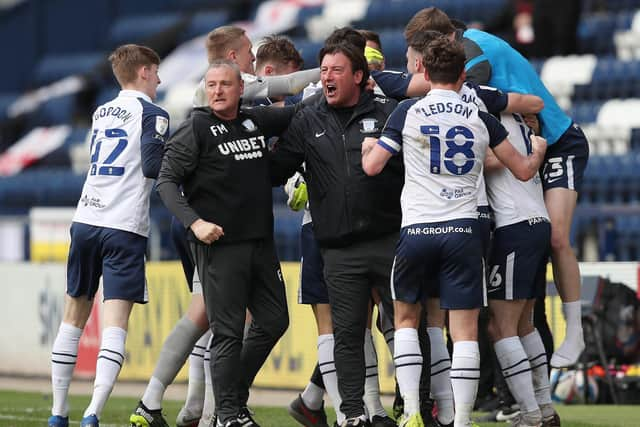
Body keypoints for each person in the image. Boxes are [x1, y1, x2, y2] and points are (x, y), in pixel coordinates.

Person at [361, 38, 547, 427]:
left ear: (424, 74)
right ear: (463, 75)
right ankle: (461, 420)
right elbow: (525, 170)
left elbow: (374, 167)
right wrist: (540, 149)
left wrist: (367, 148)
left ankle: (412, 412)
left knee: (408, 320)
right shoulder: (481, 115)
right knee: (463, 331)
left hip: (417, 229)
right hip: (464, 230)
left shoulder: (408, 111)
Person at [129, 30, 308, 427]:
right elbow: (166, 183)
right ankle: (227, 413)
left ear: (241, 87)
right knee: (226, 332)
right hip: (220, 245)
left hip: (261, 244)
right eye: (211, 85)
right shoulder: (195, 128)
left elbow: (296, 112)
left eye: (225, 84)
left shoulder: (254, 119)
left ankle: (230, 395)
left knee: (275, 319)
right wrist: (196, 224)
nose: (218, 91)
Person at [404, 6, 588, 369]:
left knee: (556, 238)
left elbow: (463, 96)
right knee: (532, 254)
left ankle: (577, 332)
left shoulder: (473, 51)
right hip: (529, 140)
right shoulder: (471, 44)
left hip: (559, 140)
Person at [270, 42, 402, 427]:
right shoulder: (307, 118)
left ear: (359, 76)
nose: (326, 76)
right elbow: (277, 169)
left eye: (336, 70)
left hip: (388, 240)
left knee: (406, 325)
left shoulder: (387, 113)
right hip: (338, 249)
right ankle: (353, 414)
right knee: (347, 335)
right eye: (323, 69)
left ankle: (416, 407)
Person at [48, 44, 169, 427]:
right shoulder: (154, 113)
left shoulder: (101, 112)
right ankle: (93, 413)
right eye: (157, 72)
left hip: (85, 219)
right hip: (124, 225)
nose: (161, 80)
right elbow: (152, 165)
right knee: (114, 323)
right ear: (146, 72)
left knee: (73, 317)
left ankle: (58, 412)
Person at [484, 112, 561, 427]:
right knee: (525, 324)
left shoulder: (491, 121)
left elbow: (490, 160)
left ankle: (530, 415)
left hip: (514, 226)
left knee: (500, 327)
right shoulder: (517, 118)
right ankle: (544, 409)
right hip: (536, 222)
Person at [192, 26, 320, 108]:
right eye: (249, 51)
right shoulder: (231, 81)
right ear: (233, 57)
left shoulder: (208, 83)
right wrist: (328, 70)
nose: (253, 58)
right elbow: (290, 83)